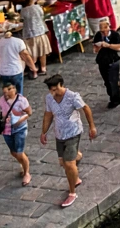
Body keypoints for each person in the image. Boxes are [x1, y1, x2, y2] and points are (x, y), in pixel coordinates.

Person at [41, 74, 95, 208]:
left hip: (73, 132)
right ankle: (77, 157)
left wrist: (92, 126)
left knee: (69, 165)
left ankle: (72, 192)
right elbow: (48, 114)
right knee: (63, 163)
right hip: (59, 134)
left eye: (55, 89)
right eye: (51, 90)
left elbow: (86, 109)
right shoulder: (49, 99)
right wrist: (44, 131)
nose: (53, 93)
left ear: (61, 85)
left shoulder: (73, 97)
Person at [0, 81, 32, 185]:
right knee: (13, 152)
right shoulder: (1, 101)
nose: (7, 93)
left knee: (19, 152)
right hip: (7, 130)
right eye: (5, 91)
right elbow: (2, 112)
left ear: (14, 89)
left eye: (9, 90)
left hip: (20, 129)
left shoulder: (21, 101)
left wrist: (19, 120)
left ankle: (27, 173)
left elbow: (29, 112)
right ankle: (23, 160)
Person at [91, 17, 120, 108]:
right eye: (102, 30)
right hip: (102, 61)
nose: (104, 31)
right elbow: (95, 50)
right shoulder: (98, 35)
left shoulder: (115, 35)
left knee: (113, 81)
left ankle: (115, 99)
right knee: (107, 81)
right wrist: (99, 46)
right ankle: (113, 96)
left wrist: (108, 45)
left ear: (109, 27)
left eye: (105, 28)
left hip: (113, 61)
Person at [19, 0, 51, 75]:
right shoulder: (38, 7)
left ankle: (33, 69)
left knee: (32, 52)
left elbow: (21, 20)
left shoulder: (23, 10)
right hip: (40, 32)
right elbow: (42, 15)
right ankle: (43, 68)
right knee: (42, 52)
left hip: (30, 34)